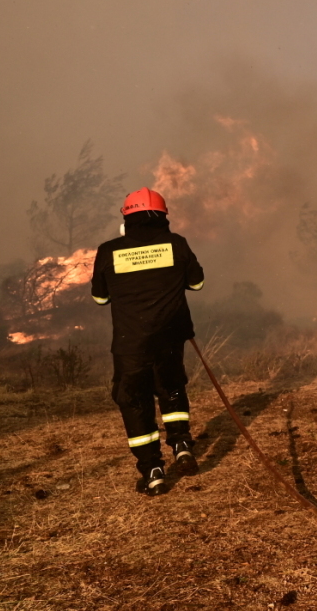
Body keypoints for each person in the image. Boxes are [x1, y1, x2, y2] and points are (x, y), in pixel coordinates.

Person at [91, 187, 205, 496]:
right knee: (171, 389)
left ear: (126, 218)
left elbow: (100, 298)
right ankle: (181, 444)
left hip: (130, 343)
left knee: (134, 401)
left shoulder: (108, 250)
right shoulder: (176, 244)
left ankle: (153, 471)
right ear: (163, 216)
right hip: (170, 337)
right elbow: (197, 282)